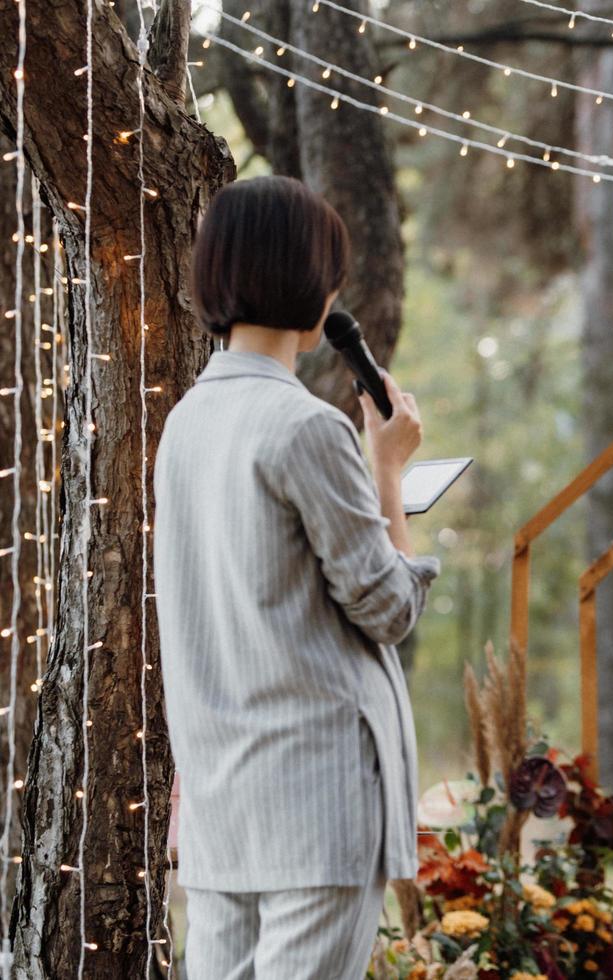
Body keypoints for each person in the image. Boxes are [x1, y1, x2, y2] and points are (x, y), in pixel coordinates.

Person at [154, 176, 437, 979]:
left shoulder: (186, 423)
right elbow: (387, 604)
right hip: (317, 802)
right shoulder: (307, 428)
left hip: (220, 803)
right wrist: (387, 469)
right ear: (312, 282)